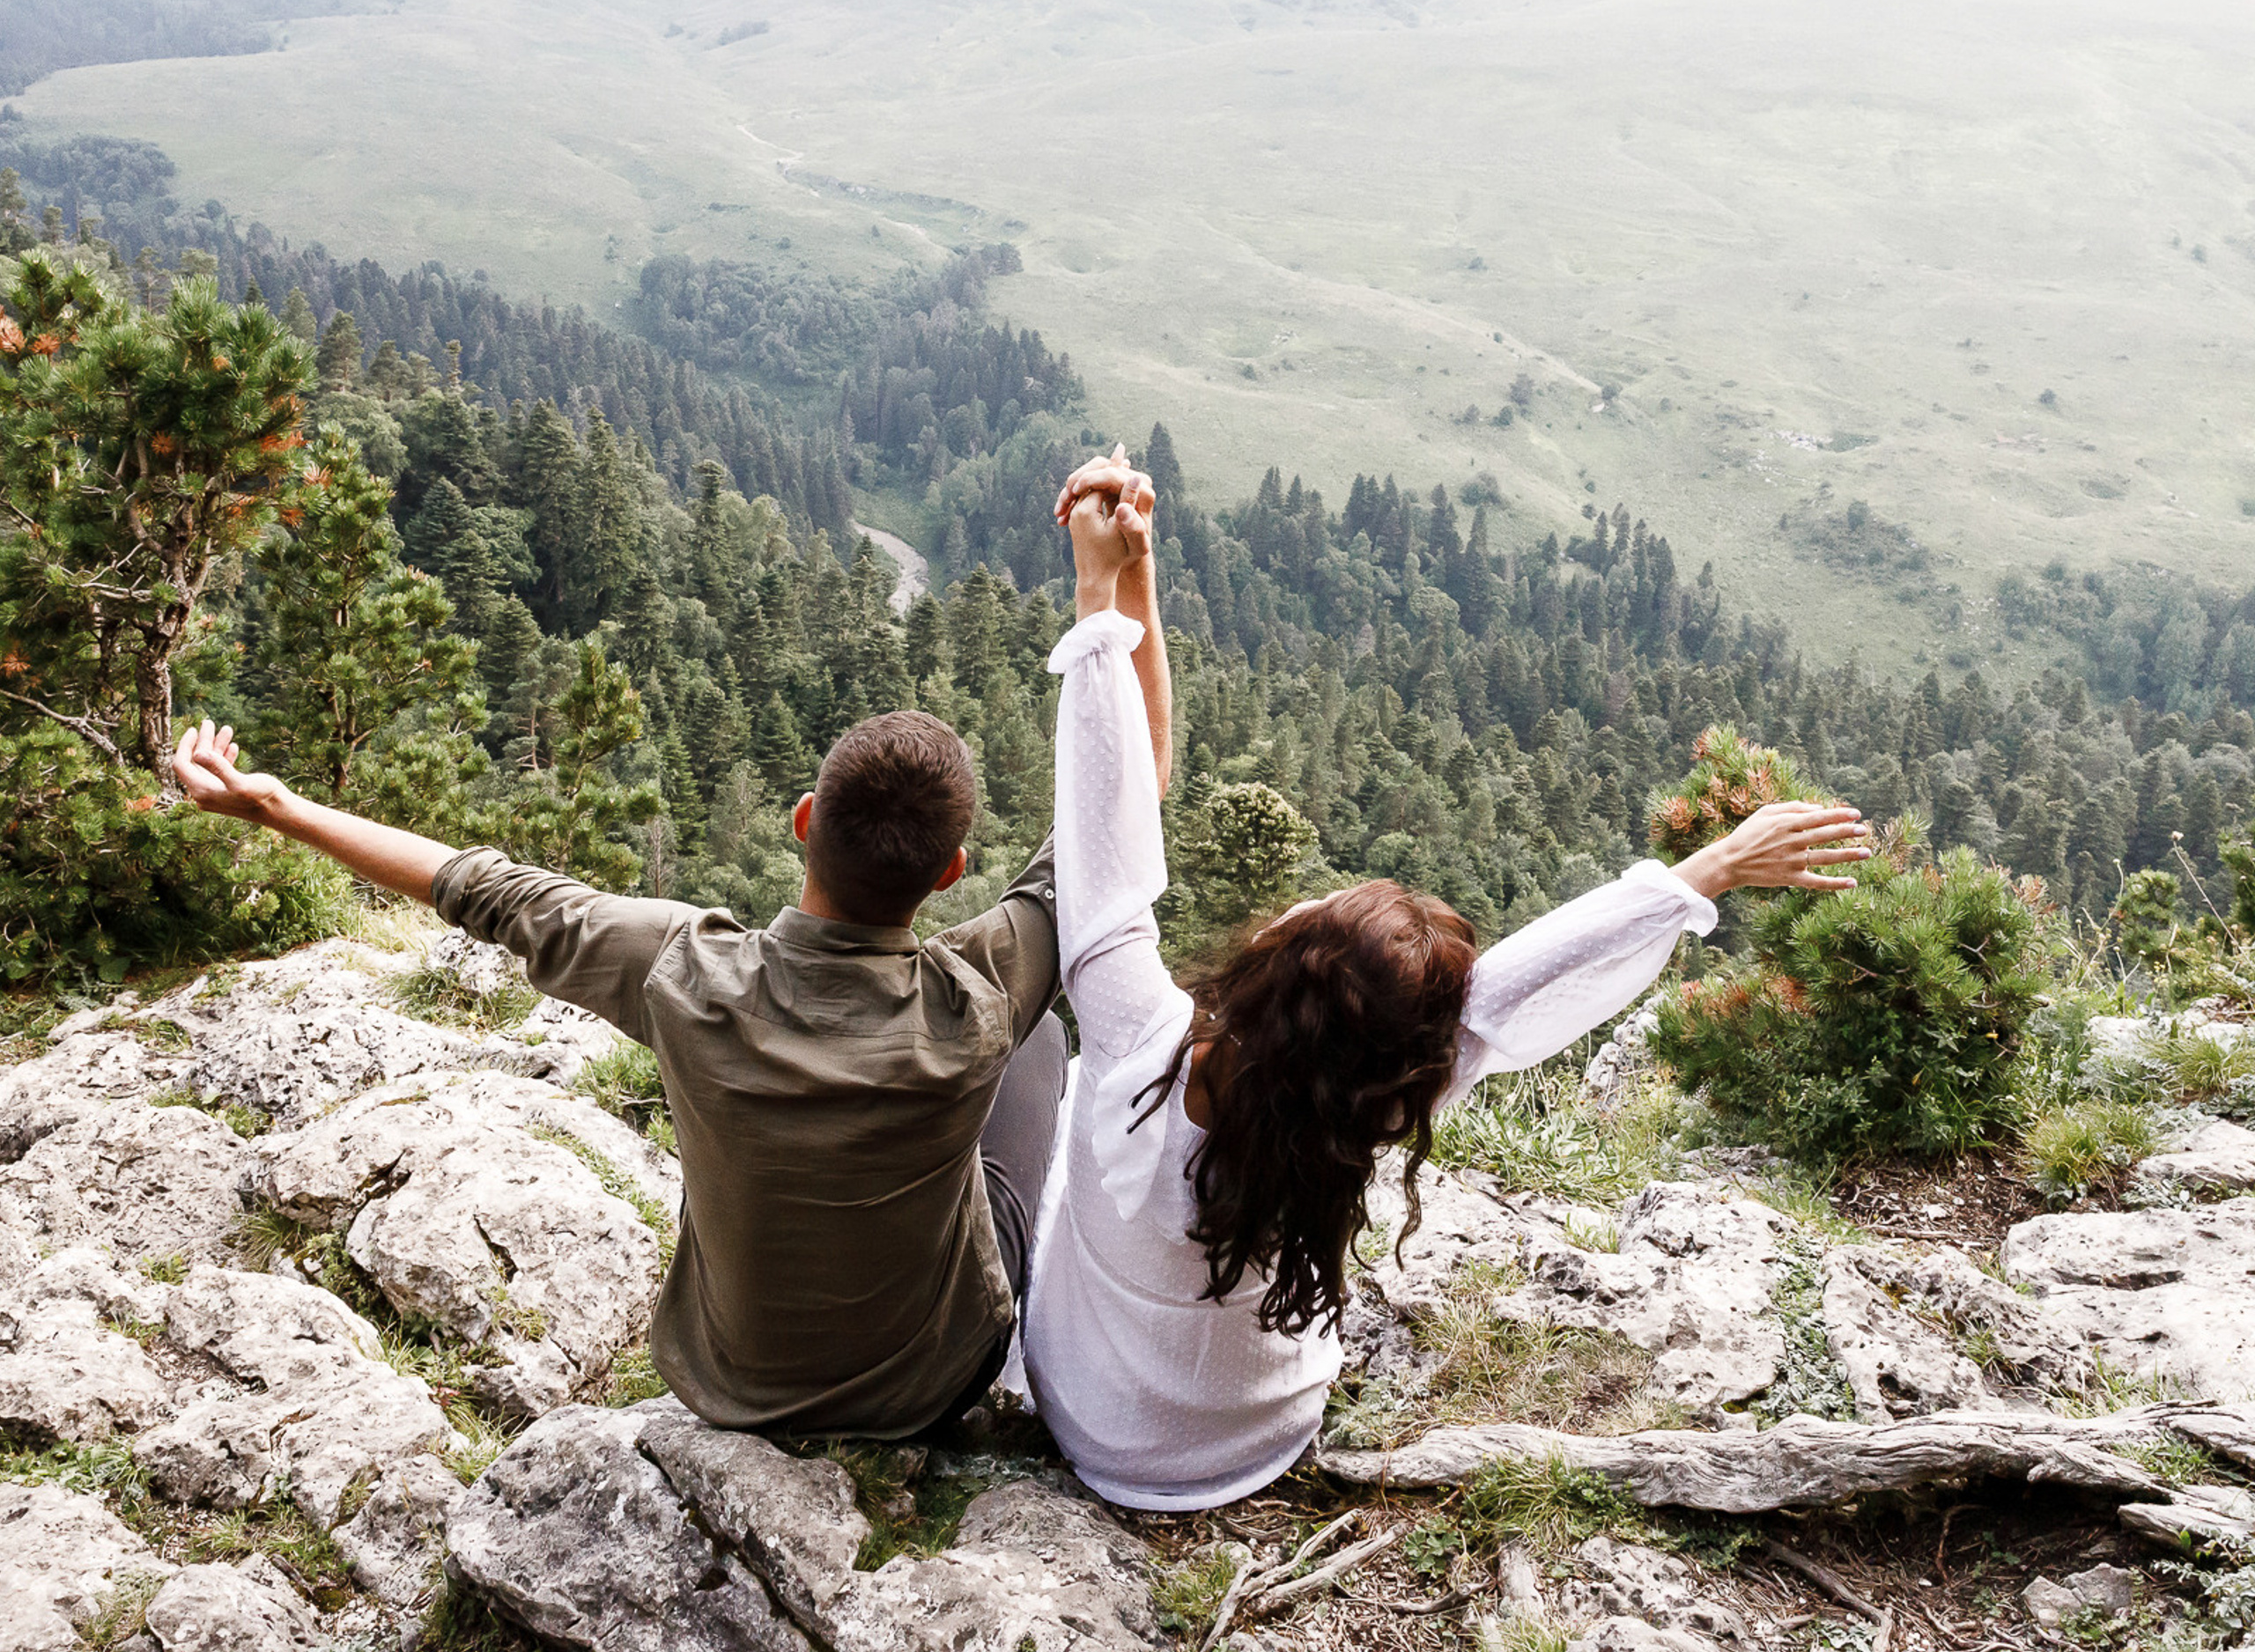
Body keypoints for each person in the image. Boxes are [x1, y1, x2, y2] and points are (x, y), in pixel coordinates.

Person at [1024, 459, 1872, 1511]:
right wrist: (1704, 873)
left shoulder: (1133, 1045)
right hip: (1259, 1434)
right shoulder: (1380, 1094)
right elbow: (1524, 984)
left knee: (1046, 1079)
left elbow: (1111, 833)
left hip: (1095, 1429)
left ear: (1273, 963)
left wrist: (1096, 597)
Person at [170, 682, 1119, 1439]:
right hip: (931, 1390)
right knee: (1034, 1034)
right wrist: (1110, 587)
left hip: (733, 1382)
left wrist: (277, 808)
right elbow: (1114, 820)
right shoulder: (980, 988)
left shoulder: (681, 973)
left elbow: (479, 886)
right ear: (951, 873)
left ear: (801, 820)